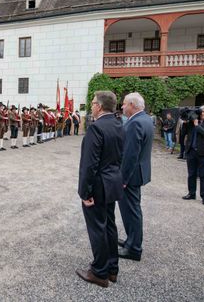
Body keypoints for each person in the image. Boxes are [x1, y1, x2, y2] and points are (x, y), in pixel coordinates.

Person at [76, 91, 124, 288]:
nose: (92, 105)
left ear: (100, 106)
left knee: (98, 228)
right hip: (112, 182)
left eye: (94, 102)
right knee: (109, 226)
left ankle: (99, 272)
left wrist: (84, 192)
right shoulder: (118, 124)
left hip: (98, 185)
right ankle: (112, 268)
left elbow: (89, 164)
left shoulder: (96, 128)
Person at [118, 92, 154, 262]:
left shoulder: (135, 123)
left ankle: (134, 248)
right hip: (138, 172)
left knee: (131, 211)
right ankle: (131, 241)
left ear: (132, 105)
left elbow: (130, 155)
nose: (122, 107)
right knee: (133, 209)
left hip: (131, 176)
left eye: (124, 104)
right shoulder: (145, 119)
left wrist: (123, 180)